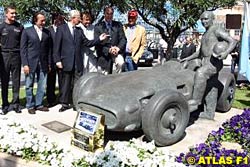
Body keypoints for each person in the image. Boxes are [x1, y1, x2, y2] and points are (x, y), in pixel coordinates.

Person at [53, 10, 107, 112]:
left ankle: (75, 103)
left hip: (77, 62)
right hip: (65, 61)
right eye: (78, 17)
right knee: (65, 83)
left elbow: (87, 43)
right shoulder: (61, 29)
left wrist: (99, 39)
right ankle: (64, 103)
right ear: (73, 18)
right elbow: (56, 47)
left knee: (77, 84)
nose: (80, 19)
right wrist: (57, 60)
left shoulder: (79, 31)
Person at [180, 11, 236, 107]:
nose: (203, 21)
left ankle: (196, 101)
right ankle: (208, 111)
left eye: (206, 19)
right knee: (192, 72)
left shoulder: (216, 30)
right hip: (205, 61)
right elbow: (200, 52)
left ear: (212, 19)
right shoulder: (205, 33)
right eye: (201, 19)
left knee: (200, 73)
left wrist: (225, 52)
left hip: (214, 63)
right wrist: (187, 58)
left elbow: (233, 41)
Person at [20, 12, 52, 114]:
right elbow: (23, 49)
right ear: (35, 20)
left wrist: (49, 63)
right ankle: (30, 105)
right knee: (29, 85)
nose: (44, 22)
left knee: (42, 86)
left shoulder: (47, 32)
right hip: (30, 63)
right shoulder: (27, 31)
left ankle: (39, 104)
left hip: (43, 63)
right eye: (41, 20)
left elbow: (49, 50)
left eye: (44, 20)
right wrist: (25, 64)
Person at [0, 5, 23, 115]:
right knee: (4, 82)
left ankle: (16, 104)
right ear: (6, 14)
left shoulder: (19, 27)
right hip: (4, 56)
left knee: (16, 81)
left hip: (16, 56)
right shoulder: (1, 27)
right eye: (12, 13)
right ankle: (5, 105)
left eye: (15, 13)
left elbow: (23, 45)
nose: (14, 15)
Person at [95, 6, 127, 74]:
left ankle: (118, 80)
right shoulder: (98, 26)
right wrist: (109, 50)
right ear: (104, 14)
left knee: (121, 63)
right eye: (107, 13)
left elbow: (123, 39)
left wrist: (118, 48)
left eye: (111, 14)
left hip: (117, 51)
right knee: (104, 76)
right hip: (104, 54)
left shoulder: (118, 25)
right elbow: (97, 43)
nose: (109, 15)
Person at [46, 14, 65, 107]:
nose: (59, 22)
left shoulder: (63, 29)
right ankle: (51, 100)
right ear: (53, 20)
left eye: (61, 20)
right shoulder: (48, 30)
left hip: (61, 59)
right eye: (58, 20)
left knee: (62, 81)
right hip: (51, 60)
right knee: (50, 81)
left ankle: (62, 99)